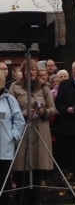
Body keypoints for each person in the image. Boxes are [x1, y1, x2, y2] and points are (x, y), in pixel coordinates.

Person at [9, 59, 57, 205]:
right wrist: (22, 113)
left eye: (34, 69)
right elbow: (9, 108)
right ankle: (20, 199)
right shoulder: (15, 87)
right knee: (21, 168)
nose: (31, 72)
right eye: (28, 70)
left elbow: (53, 108)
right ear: (22, 72)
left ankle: (36, 199)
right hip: (23, 131)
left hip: (39, 130)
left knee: (37, 168)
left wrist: (44, 111)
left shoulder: (44, 87)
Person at [0, 71, 25, 204]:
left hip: (5, 148)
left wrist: (13, 136)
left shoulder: (10, 100)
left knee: (4, 181)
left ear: (3, 82)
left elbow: (19, 121)